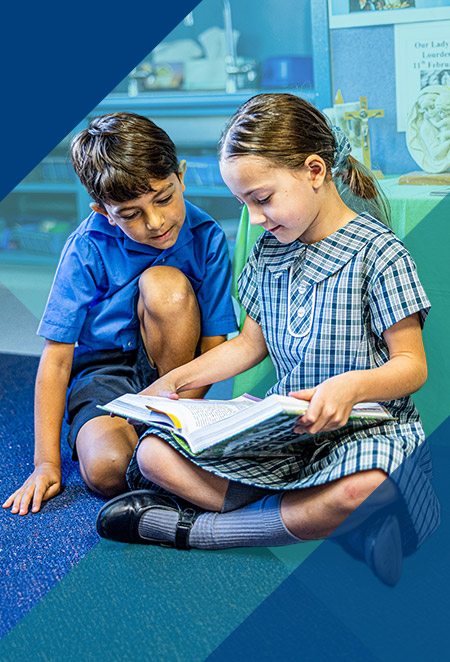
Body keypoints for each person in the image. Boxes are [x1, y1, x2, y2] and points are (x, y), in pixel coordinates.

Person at [96, 94, 438, 579]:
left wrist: (352, 387)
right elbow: (248, 345)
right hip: (285, 431)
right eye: (244, 204)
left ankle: (202, 531)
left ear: (314, 171)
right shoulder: (268, 249)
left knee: (368, 485)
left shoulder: (380, 253)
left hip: (367, 431)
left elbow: (412, 365)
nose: (254, 218)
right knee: (152, 454)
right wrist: (173, 382)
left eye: (262, 199)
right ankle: (334, 524)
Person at [3, 112, 236, 515]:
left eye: (163, 198)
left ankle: (165, 433)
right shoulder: (85, 248)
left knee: (165, 285)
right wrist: (46, 464)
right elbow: (57, 361)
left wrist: (179, 409)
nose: (156, 222)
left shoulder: (207, 237)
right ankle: (160, 460)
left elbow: (214, 345)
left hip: (177, 376)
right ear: (103, 211)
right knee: (107, 469)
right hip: (104, 373)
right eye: (130, 214)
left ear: (181, 177)